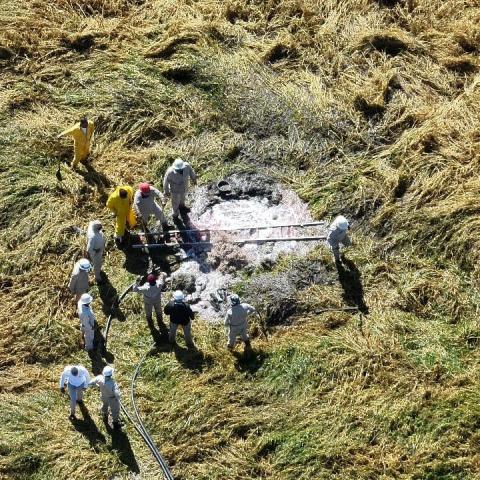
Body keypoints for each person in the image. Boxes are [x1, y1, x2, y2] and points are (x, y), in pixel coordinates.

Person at [132, 273, 169, 340]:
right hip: (157, 301)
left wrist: (137, 281)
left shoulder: (145, 288)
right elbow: (163, 277)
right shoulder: (159, 284)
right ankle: (160, 322)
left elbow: (134, 289)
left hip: (148, 302)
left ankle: (151, 324)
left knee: (148, 313)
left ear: (148, 281)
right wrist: (162, 275)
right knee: (159, 312)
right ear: (155, 280)